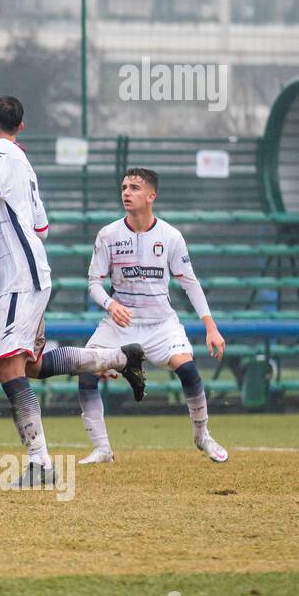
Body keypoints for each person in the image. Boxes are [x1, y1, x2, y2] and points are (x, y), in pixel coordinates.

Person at [0, 96, 146, 487]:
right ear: (22, 126)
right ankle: (119, 356)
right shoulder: (23, 161)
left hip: (19, 275)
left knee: (6, 364)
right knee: (29, 365)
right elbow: (41, 226)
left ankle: (41, 463)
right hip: (29, 272)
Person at [79, 168, 228, 464]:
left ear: (151, 196)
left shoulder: (170, 236)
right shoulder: (108, 235)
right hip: (120, 324)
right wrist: (110, 305)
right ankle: (102, 449)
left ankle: (202, 435)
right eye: (124, 187)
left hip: (161, 325)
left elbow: (190, 283)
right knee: (86, 372)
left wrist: (211, 328)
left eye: (134, 188)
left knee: (187, 370)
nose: (126, 193)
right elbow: (93, 283)